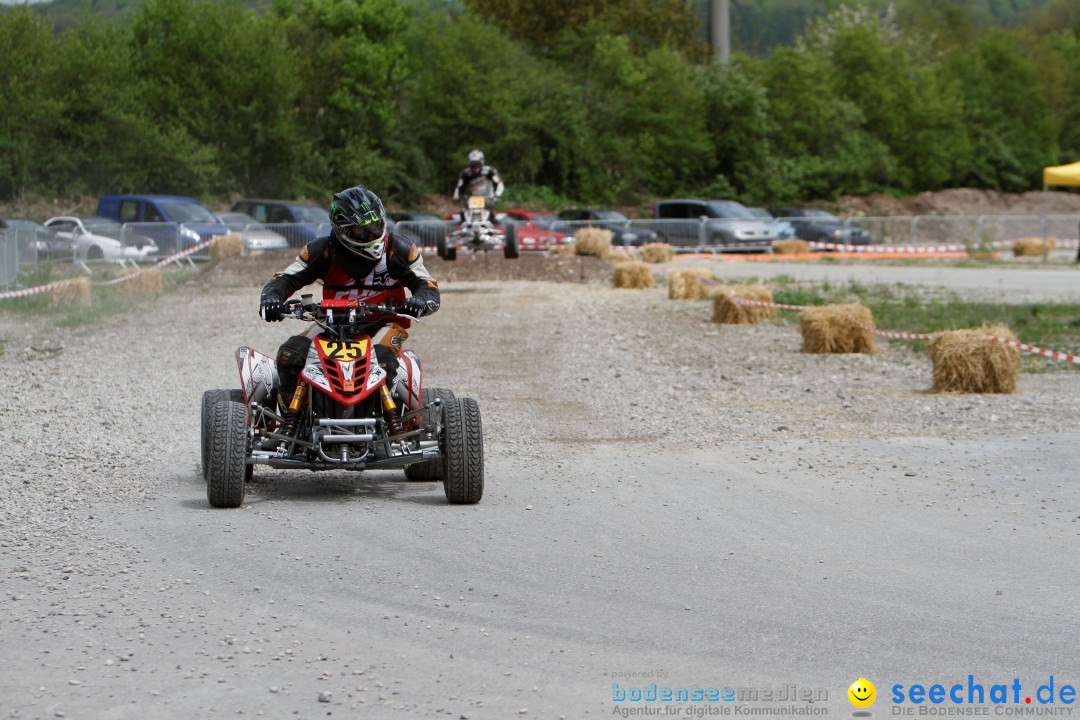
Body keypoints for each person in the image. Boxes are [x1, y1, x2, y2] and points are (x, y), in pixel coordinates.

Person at [258, 184, 440, 411]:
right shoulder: (322, 251)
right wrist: (271, 299)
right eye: (362, 230)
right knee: (290, 356)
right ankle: (292, 422)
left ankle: (382, 424)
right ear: (342, 230)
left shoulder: (399, 250)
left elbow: (428, 286)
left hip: (384, 323)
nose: (372, 233)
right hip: (333, 323)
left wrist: (420, 301)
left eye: (375, 225)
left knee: (381, 361)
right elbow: (284, 279)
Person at [452, 149, 504, 221]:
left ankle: (492, 223)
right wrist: (456, 196)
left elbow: (499, 183)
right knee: (463, 214)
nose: (475, 167)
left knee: (493, 215)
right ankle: (465, 224)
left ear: (481, 162)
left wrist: (497, 194)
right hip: (472, 200)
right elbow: (459, 186)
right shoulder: (466, 173)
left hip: (488, 198)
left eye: (477, 164)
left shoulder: (489, 171)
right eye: (473, 164)